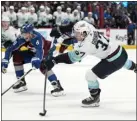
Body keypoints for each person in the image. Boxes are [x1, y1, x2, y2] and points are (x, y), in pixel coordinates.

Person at [41, 21, 136, 107]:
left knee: (90, 75)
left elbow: (71, 58)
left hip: (114, 60)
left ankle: (95, 98)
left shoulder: (86, 46)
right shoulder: (89, 27)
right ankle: (135, 67)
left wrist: (54, 60)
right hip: (120, 51)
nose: (75, 34)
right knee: (122, 61)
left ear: (84, 33)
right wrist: (60, 29)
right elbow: (75, 25)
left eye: (77, 34)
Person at [1, 24, 64, 96]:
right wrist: (5, 59)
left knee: (43, 65)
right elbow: (10, 49)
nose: (23, 36)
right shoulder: (22, 38)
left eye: (25, 34)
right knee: (17, 56)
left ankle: (56, 85)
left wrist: (37, 59)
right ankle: (21, 82)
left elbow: (40, 51)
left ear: (31, 33)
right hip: (34, 52)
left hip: (47, 51)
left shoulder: (37, 38)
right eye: (22, 33)